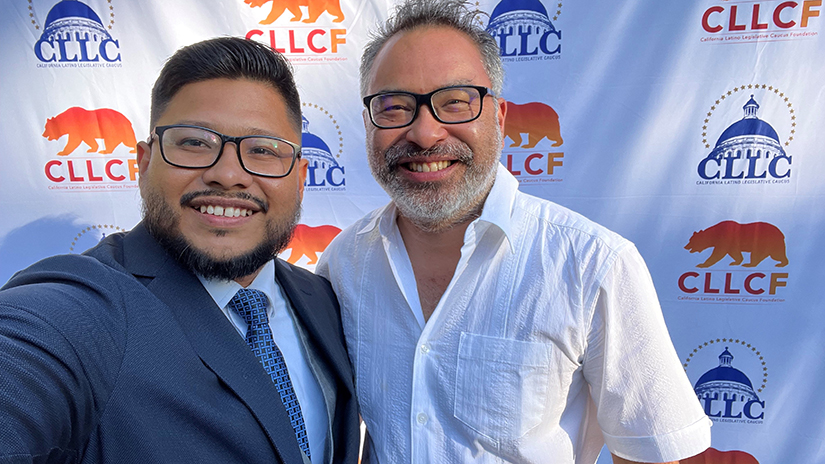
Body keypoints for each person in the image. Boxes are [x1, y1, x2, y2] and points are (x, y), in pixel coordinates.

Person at [316, 1, 711, 463]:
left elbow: (657, 452)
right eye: (395, 106)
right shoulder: (343, 264)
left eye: (455, 102)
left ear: (499, 117)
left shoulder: (593, 264)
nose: (425, 133)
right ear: (368, 122)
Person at [0, 37, 359, 464]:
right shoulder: (82, 309)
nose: (228, 175)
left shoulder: (323, 298)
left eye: (263, 150)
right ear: (146, 163)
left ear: (300, 178)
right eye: (194, 143)